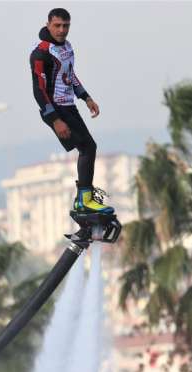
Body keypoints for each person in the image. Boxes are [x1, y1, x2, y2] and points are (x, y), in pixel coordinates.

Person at [29, 7, 116, 218]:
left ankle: (83, 198)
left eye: (65, 26)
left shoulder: (66, 46)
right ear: (48, 24)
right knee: (88, 147)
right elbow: (38, 90)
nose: (61, 30)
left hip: (69, 105)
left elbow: (70, 76)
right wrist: (55, 120)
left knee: (88, 147)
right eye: (57, 25)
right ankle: (84, 200)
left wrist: (86, 97)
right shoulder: (41, 52)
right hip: (56, 108)